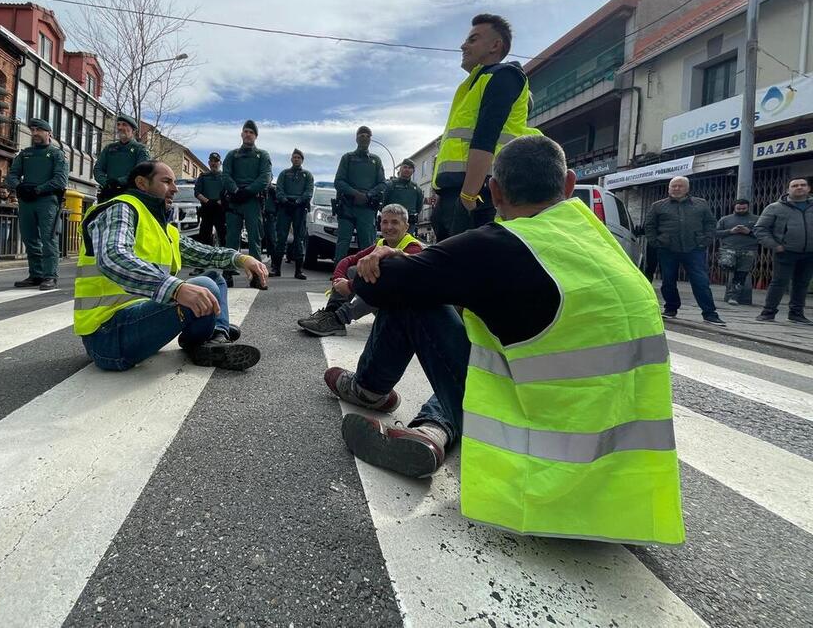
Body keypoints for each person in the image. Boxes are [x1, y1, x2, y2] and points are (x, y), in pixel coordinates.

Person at [320, 135, 684, 546]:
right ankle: (434, 428)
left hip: (535, 468)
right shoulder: (609, 250)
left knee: (416, 300)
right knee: (496, 335)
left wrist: (391, 259)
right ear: (568, 185)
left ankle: (369, 389)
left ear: (493, 191)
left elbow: (385, 288)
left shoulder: (498, 246)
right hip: (624, 495)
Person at [75, 160, 266, 372]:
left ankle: (216, 336)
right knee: (205, 286)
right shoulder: (122, 208)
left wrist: (241, 259)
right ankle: (206, 337)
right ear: (141, 183)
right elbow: (113, 256)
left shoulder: (162, 226)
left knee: (213, 278)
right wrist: (176, 288)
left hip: (138, 320)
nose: (174, 189)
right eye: (167, 181)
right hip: (107, 335)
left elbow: (204, 253)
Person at [431, 13, 540, 241]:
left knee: (465, 272)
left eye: (473, 39)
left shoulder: (504, 76)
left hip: (478, 196)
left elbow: (485, 138)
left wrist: (467, 199)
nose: (463, 45)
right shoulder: (474, 84)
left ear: (495, 45)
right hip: (461, 195)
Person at [298, 203, 423, 336]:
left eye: (395, 222)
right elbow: (348, 260)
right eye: (385, 222)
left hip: (409, 312)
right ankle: (331, 313)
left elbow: (389, 275)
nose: (389, 227)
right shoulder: (380, 244)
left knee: (382, 278)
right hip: (386, 305)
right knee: (353, 269)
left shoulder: (414, 247)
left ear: (406, 227)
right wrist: (338, 280)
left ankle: (339, 318)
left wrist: (351, 286)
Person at [644, 176, 724, 325]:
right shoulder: (658, 206)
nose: (676, 188)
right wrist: (656, 242)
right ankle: (671, 308)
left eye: (680, 186)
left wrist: (705, 241)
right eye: (673, 186)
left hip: (694, 249)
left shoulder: (701, 204)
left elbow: (710, 223)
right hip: (667, 249)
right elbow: (649, 226)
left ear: (687, 188)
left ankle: (710, 313)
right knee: (668, 281)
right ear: (668, 188)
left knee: (701, 282)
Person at [5, 118, 68, 290]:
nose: (35, 133)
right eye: (32, 130)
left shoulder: (56, 154)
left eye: (38, 130)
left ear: (49, 133)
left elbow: (60, 180)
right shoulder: (25, 154)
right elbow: (12, 175)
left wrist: (38, 189)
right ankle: (36, 274)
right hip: (27, 201)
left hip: (47, 201)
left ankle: (50, 276)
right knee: (29, 237)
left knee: (48, 239)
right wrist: (19, 186)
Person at [754, 177, 813, 324]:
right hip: (785, 251)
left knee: (802, 283)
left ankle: (796, 314)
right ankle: (768, 312)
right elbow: (760, 229)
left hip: (810, 252)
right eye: (795, 185)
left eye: (803, 185)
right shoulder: (775, 207)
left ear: (808, 189)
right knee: (779, 282)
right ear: (788, 190)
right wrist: (775, 245)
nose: (799, 187)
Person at [222, 119, 271, 288]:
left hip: (252, 200)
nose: (248, 134)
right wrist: (236, 191)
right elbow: (226, 175)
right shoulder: (232, 155)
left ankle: (257, 277)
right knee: (231, 238)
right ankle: (227, 274)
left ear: (255, 136)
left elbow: (265, 177)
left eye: (251, 132)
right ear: (241, 134)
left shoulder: (262, 155)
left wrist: (248, 191)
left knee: (254, 239)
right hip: (234, 200)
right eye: (246, 131)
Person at [333, 125, 386, 264]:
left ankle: (365, 274)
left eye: (368, 135)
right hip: (347, 206)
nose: (364, 137)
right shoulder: (347, 158)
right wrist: (355, 193)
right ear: (356, 138)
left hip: (367, 209)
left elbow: (382, 184)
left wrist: (368, 195)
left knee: (368, 243)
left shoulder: (376, 160)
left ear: (371, 139)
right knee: (343, 241)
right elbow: (338, 181)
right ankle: (339, 273)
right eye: (361, 135)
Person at [272, 148, 314, 279]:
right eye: (294, 157)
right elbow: (279, 190)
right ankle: (276, 268)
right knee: (281, 237)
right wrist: (285, 201)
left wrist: (298, 201)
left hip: (299, 208)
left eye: (299, 158)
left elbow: (308, 192)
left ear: (302, 160)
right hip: (285, 208)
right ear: (291, 159)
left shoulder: (307, 175)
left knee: (299, 239)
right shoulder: (284, 174)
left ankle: (299, 271)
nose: (296, 159)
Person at [93, 114, 150, 203]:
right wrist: (107, 183)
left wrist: (119, 182)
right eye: (118, 124)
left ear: (133, 130)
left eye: (124, 125)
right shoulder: (109, 149)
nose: (120, 127)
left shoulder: (140, 149)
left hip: (130, 195)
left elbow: (140, 171)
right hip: (109, 194)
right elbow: (98, 169)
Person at [715, 198, 759, 306]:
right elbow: (715, 233)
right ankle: (730, 293)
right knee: (727, 267)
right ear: (734, 207)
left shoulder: (756, 219)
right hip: (729, 249)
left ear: (748, 207)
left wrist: (749, 232)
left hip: (748, 250)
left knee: (741, 274)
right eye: (739, 208)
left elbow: (763, 235)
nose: (741, 210)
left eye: (744, 208)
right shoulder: (725, 219)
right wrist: (731, 231)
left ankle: (733, 297)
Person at [194, 151, 229, 246]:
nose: (214, 163)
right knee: (204, 237)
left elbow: (229, 192)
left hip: (220, 210)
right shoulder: (203, 176)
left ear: (220, 163)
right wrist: (208, 201)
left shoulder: (225, 177)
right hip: (207, 209)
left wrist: (221, 201)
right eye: (212, 161)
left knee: (223, 236)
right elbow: (197, 192)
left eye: (216, 161)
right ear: (209, 163)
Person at [382, 159, 424, 234]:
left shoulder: (416, 188)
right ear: (400, 169)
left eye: (410, 168)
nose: (407, 170)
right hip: (392, 222)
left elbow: (419, 207)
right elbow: (383, 203)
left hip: (409, 223)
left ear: (413, 171)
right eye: (405, 167)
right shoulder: (391, 185)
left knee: (406, 243)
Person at [261, 183, 278, 260]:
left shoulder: (273, 189)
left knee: (272, 239)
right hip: (260, 215)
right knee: (259, 238)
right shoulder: (259, 188)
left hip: (271, 216)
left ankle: (274, 261)